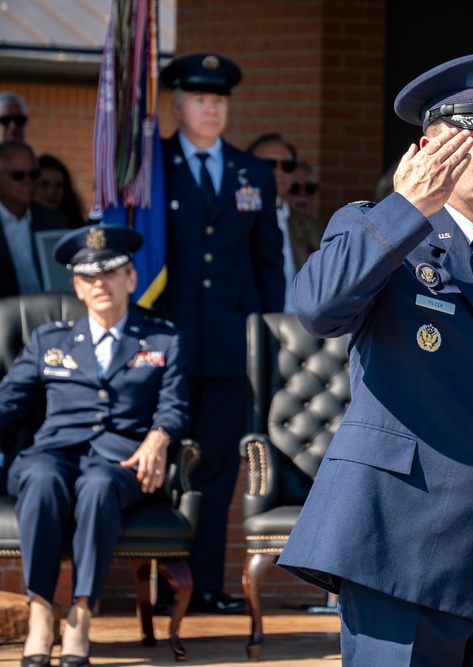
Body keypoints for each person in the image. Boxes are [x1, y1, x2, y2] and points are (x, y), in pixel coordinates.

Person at [279, 52, 473, 666]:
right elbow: (318, 310)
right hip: (400, 549)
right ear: (428, 149)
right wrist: (405, 208)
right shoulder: (378, 229)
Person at [0, 224, 188, 667]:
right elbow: (8, 404)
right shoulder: (50, 341)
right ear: (77, 288)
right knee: (43, 478)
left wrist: (159, 437)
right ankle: (42, 611)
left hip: (122, 460)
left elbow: (175, 405)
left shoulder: (163, 339)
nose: (100, 284)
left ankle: (81, 612)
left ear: (130, 279)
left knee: (99, 485)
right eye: (89, 278)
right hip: (54, 452)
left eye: (111, 273)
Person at [157, 53, 285, 613]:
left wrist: (271, 338)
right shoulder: (151, 168)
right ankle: (161, 584)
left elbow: (268, 263)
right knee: (162, 461)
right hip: (165, 342)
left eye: (220, 99)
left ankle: (204, 584)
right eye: (200, 98)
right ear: (176, 104)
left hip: (233, 343)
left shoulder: (251, 173)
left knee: (216, 467)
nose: (211, 108)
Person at [246, 133, 325, 309]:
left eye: (287, 166)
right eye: (269, 164)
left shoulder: (313, 227)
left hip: (299, 328)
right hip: (250, 323)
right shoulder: (237, 217)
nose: (278, 171)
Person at [0, 141, 71, 297]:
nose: (28, 182)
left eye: (33, 175)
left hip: (53, 314)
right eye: (18, 175)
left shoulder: (55, 221)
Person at [35, 154, 87, 229]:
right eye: (44, 184)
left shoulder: (75, 226)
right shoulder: (22, 226)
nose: (51, 191)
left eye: (58, 185)